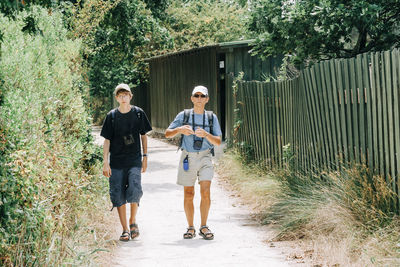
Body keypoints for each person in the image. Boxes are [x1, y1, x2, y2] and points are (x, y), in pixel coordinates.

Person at [165, 85, 222, 240]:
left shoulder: (211, 117)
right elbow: (167, 133)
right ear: (191, 98)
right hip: (188, 157)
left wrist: (206, 134)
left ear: (207, 99)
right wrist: (180, 129)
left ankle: (204, 226)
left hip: (205, 157)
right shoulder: (184, 115)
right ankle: (190, 227)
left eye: (202, 96)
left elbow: (218, 141)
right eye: (196, 96)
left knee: (205, 191)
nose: (199, 99)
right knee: (189, 193)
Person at [101, 83, 152, 241]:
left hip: (134, 160)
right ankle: (124, 229)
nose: (123, 98)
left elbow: (143, 135)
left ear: (131, 96)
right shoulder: (112, 116)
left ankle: (133, 221)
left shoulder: (138, 114)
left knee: (135, 190)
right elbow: (107, 141)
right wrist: (105, 162)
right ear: (117, 98)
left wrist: (145, 157)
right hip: (116, 162)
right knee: (118, 194)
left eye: (126, 95)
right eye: (120, 95)